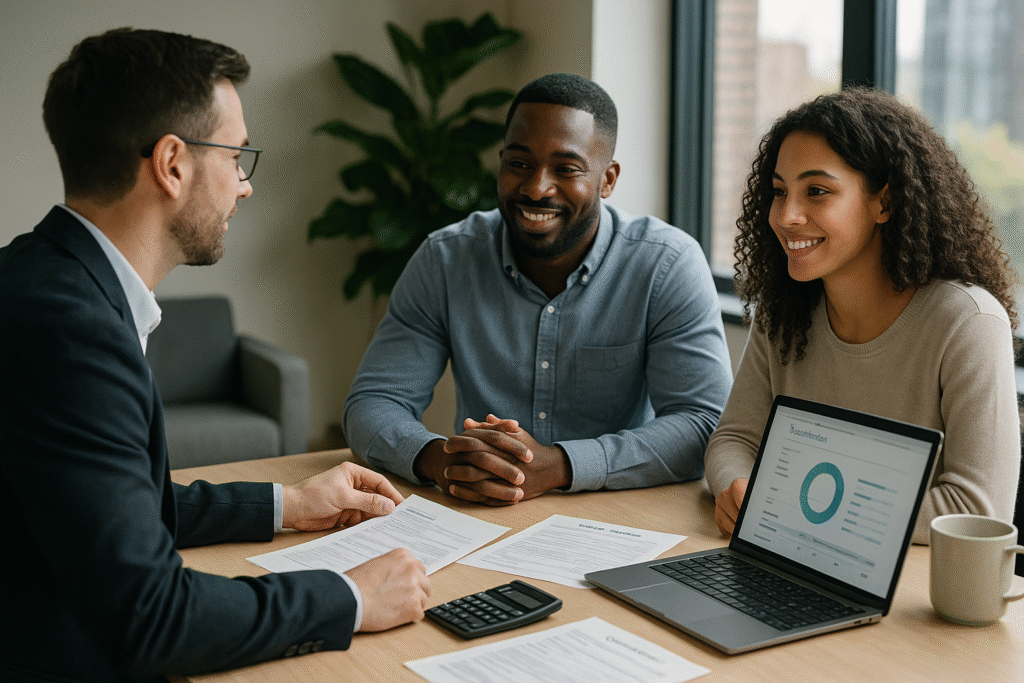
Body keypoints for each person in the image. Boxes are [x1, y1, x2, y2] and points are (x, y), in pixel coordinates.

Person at [0, 29, 429, 683]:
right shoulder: (74, 332)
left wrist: (287, 503)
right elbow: (152, 618)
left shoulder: (36, 274)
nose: (245, 185)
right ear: (172, 164)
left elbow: (107, 504)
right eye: (235, 156)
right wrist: (350, 597)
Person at [343, 73, 733, 506]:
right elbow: (373, 404)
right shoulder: (446, 259)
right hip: (481, 510)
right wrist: (443, 459)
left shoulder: (666, 265)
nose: (536, 187)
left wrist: (561, 465)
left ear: (608, 179)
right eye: (519, 164)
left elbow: (703, 422)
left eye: (566, 169)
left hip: (616, 513)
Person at [704, 87, 1020, 544]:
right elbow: (734, 439)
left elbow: (975, 508)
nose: (787, 216)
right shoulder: (785, 309)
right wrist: (738, 487)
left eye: (817, 191)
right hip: (791, 554)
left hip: (910, 591)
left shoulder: (968, 322)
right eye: (778, 191)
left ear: (884, 203)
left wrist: (790, 502)